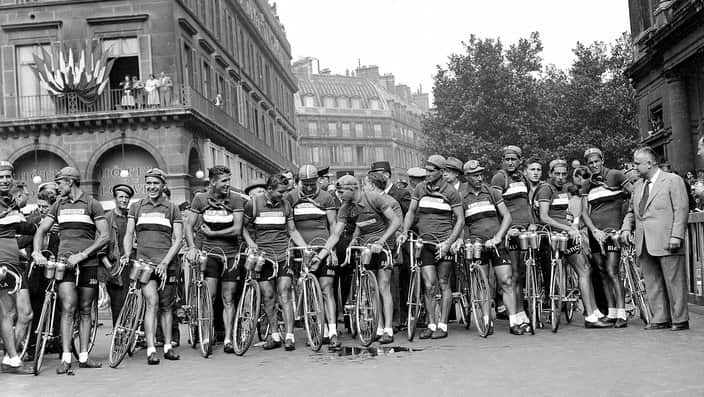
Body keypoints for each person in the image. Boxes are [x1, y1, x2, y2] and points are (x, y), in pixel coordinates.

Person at [31, 167, 109, 374]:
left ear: (70, 182)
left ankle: (83, 356)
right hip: (64, 263)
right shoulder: (58, 204)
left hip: (88, 264)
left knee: (85, 309)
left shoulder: (92, 203)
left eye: (60, 183)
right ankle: (66, 358)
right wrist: (37, 252)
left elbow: (104, 236)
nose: (57, 187)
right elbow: (41, 230)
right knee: (67, 307)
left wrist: (83, 255)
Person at [314, 174, 401, 343]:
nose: (339, 195)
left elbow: (396, 221)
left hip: (384, 244)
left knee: (383, 285)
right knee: (372, 288)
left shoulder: (374, 198)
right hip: (365, 246)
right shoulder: (345, 208)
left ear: (353, 188)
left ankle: (388, 330)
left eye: (341, 192)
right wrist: (320, 255)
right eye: (337, 192)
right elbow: (336, 234)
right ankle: (379, 327)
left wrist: (382, 241)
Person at [535, 160, 611, 328]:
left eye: (563, 174)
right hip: (551, 237)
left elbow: (566, 212)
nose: (561, 177)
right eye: (557, 174)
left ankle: (593, 312)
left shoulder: (565, 189)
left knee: (585, 269)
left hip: (567, 234)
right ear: (550, 174)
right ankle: (589, 315)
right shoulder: (546, 189)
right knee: (571, 271)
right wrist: (568, 228)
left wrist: (571, 225)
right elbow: (544, 217)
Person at [621, 147, 690, 331]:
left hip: (668, 240)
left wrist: (677, 235)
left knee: (674, 281)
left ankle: (679, 319)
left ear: (650, 163)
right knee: (652, 281)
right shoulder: (637, 185)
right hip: (644, 241)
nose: (634, 167)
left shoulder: (673, 181)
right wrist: (626, 228)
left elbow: (681, 209)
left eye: (637, 163)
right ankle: (660, 318)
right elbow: (631, 212)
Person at [397, 155, 464, 339]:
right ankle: (431, 323)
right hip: (425, 242)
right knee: (428, 285)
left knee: (443, 283)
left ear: (442, 172)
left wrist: (449, 243)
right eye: (426, 170)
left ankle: (443, 325)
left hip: (443, 243)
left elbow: (460, 219)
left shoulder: (451, 192)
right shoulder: (420, 188)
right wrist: (404, 231)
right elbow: (411, 211)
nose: (427, 174)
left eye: (431, 170)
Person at [123, 168, 183, 364]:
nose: (151, 187)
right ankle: (150, 349)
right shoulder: (137, 206)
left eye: (155, 183)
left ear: (162, 185)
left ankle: (167, 346)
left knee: (166, 307)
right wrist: (126, 254)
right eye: (148, 183)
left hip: (167, 265)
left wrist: (165, 262)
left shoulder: (172, 208)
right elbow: (129, 234)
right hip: (145, 265)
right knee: (152, 302)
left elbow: (179, 239)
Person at [242, 174, 307, 351]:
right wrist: (250, 243)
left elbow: (292, 230)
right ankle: (274, 334)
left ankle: (290, 336)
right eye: (280, 191)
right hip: (263, 257)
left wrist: (304, 247)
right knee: (268, 296)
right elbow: (243, 227)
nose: (283, 195)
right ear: (270, 189)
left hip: (283, 255)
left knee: (285, 293)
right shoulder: (253, 204)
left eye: (285, 192)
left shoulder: (286, 205)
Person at [461, 160, 527, 334]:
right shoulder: (462, 197)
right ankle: (485, 321)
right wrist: (466, 241)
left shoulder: (491, 192)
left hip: (496, 243)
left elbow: (507, 216)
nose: (479, 178)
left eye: (481, 174)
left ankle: (514, 323)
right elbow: (461, 223)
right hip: (477, 245)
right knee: (483, 286)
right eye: (475, 175)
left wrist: (498, 237)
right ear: (467, 176)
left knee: (507, 281)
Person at [185, 166, 244, 354]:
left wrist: (213, 233)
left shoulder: (236, 199)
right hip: (209, 254)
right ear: (212, 182)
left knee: (228, 297)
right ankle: (207, 332)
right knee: (209, 297)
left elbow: (237, 229)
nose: (228, 184)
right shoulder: (200, 199)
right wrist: (193, 247)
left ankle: (228, 338)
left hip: (231, 256)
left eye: (229, 180)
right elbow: (189, 225)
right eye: (224, 181)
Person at [286, 165, 340, 348]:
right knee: (307, 289)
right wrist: (302, 248)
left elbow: (332, 226)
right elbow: (291, 228)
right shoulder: (291, 197)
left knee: (327, 288)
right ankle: (315, 327)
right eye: (305, 184)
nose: (309, 187)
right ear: (299, 181)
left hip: (323, 246)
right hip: (302, 249)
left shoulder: (327, 197)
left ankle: (332, 331)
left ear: (317, 180)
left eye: (312, 183)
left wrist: (331, 250)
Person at [581, 148, 628, 327]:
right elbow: (584, 212)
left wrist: (624, 225)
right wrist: (593, 230)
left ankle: (622, 313)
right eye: (590, 163)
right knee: (601, 270)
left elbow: (632, 194)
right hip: (596, 233)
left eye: (596, 161)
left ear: (602, 160)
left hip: (612, 231)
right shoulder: (587, 183)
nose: (594, 165)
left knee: (612, 270)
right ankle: (611, 311)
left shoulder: (615, 175)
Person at [0, 161, 37, 374]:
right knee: (9, 313)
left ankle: (9, 358)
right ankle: (13, 359)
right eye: (1, 177)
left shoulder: (11, 202)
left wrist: (40, 224)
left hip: (14, 262)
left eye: (7, 176)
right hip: (2, 263)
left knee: (26, 314)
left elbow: (20, 226)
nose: (5, 180)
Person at [490, 145, 532, 327]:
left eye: (513, 159)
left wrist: (531, 223)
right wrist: (506, 230)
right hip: (511, 232)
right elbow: (496, 207)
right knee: (514, 274)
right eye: (507, 159)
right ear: (502, 160)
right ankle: (517, 313)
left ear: (519, 161)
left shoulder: (522, 178)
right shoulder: (500, 177)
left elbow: (526, 203)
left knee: (522, 273)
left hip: (525, 230)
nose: (510, 162)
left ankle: (522, 310)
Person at [98, 184, 134, 328]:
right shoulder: (107, 218)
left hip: (132, 266)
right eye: (121, 197)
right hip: (115, 268)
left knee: (132, 302)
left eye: (127, 197)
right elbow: (100, 246)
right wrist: (110, 268)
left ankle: (132, 336)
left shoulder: (131, 217)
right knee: (118, 305)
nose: (124, 200)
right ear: (115, 199)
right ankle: (118, 338)